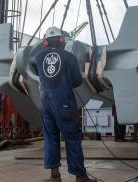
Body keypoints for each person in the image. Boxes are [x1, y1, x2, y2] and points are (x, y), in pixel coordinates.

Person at [35, 27, 96, 182]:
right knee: (72, 139)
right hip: (64, 104)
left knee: (50, 139)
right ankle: (80, 177)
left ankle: (54, 176)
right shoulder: (69, 57)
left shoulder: (39, 56)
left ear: (46, 41)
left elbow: (41, 75)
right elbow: (77, 81)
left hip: (46, 104)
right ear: (61, 40)